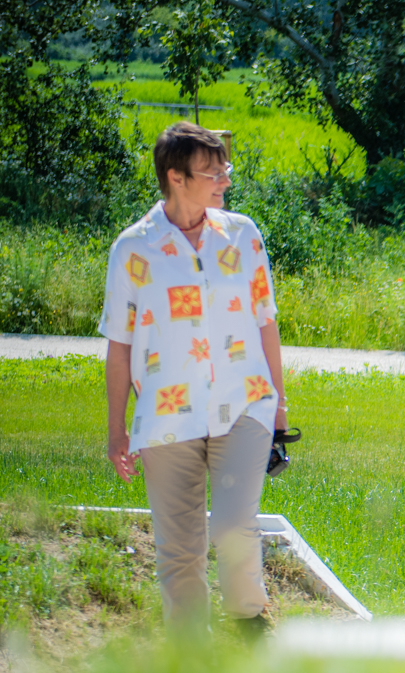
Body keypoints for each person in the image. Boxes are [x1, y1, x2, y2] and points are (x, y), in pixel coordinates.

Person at [100, 122, 288, 635]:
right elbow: (118, 345)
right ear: (176, 177)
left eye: (224, 168)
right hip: (166, 413)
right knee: (179, 545)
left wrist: (280, 403)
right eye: (212, 171)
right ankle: (188, 660)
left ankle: (250, 627)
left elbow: (265, 319)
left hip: (245, 402)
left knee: (233, 527)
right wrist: (117, 429)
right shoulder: (133, 249)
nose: (224, 180)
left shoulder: (243, 234)